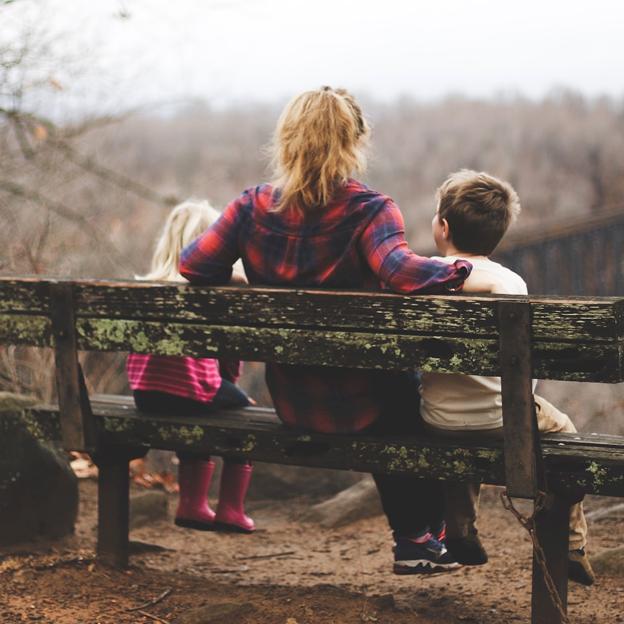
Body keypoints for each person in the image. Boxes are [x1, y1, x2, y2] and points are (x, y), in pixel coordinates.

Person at [179, 87, 498, 574]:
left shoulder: (250, 208)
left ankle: (419, 539)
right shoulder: (369, 210)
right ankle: (420, 538)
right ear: (355, 142)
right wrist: (462, 271)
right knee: (412, 398)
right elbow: (402, 273)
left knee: (393, 392)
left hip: (293, 401)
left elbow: (192, 266)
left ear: (285, 140)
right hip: (364, 403)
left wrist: (243, 276)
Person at [420, 169, 595, 585]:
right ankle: (572, 543)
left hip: (437, 419)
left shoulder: (422, 276)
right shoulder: (510, 283)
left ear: (442, 227)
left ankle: (460, 530)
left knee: (461, 427)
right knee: (564, 432)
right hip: (505, 419)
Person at [127, 200, 256, 533]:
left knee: (197, 404)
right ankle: (230, 509)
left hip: (145, 394)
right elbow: (227, 357)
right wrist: (231, 385)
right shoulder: (210, 292)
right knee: (244, 414)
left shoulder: (146, 287)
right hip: (191, 392)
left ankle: (192, 504)